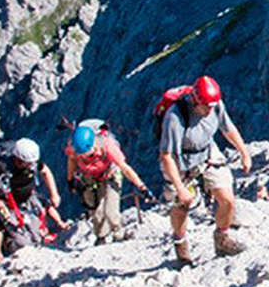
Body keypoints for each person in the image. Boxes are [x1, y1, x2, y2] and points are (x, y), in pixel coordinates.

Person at [159, 75, 253, 266]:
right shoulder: (175, 117)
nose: (210, 110)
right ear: (195, 100)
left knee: (227, 198)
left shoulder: (215, 104)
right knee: (181, 205)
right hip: (180, 160)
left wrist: (244, 152)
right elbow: (167, 156)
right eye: (206, 106)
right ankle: (181, 245)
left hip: (207, 152)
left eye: (212, 105)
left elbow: (228, 128)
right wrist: (180, 188)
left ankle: (222, 239)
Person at [0, 137, 66, 251]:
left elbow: (45, 171)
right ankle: (7, 243)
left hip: (27, 195)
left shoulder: (32, 163)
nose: (32, 166)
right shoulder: (1, 167)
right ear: (18, 160)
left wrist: (54, 194)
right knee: (22, 242)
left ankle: (57, 226)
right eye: (28, 164)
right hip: (7, 203)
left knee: (37, 224)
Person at [65, 120, 150, 244]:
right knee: (96, 212)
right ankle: (101, 236)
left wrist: (142, 187)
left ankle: (118, 234)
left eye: (86, 154)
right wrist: (70, 180)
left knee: (111, 211)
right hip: (90, 177)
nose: (83, 157)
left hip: (111, 175)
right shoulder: (75, 149)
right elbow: (71, 162)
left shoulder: (108, 147)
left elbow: (125, 168)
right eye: (81, 155)